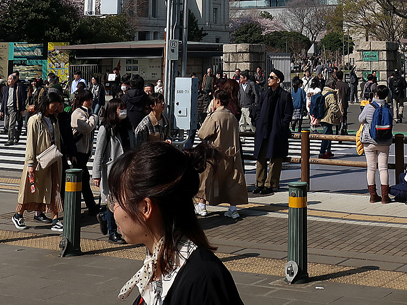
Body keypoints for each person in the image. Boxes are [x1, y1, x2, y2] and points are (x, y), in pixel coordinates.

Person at [108, 142, 244, 305]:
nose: (112, 209)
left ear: (146, 208)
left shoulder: (203, 278)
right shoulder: (158, 264)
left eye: (116, 200)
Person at [13, 90, 66, 232]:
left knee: (54, 189)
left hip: (53, 159)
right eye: (53, 106)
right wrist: (30, 163)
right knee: (32, 190)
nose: (55, 108)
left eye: (56, 106)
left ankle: (55, 219)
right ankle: (18, 214)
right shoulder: (35, 120)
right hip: (38, 161)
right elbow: (30, 143)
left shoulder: (54, 119)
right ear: (46, 104)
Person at [195, 89, 248, 220]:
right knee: (232, 181)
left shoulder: (215, 116)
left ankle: (202, 206)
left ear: (217, 101)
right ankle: (233, 208)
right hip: (231, 154)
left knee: (206, 179)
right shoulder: (232, 117)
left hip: (215, 154)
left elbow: (202, 134)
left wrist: (208, 115)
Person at [93, 100, 135, 243]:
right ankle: (112, 232)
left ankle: (104, 217)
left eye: (124, 108)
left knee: (123, 200)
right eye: (120, 108)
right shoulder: (106, 128)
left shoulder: (128, 126)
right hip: (111, 169)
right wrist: (96, 174)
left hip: (127, 168)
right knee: (112, 200)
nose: (123, 111)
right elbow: (98, 152)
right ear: (113, 110)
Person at [251, 69, 292, 195]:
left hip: (276, 130)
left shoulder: (285, 95)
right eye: (269, 77)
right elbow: (258, 109)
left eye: (271, 77)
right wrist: (258, 122)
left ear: (278, 81)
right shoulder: (264, 93)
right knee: (261, 157)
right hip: (263, 129)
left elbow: (288, 114)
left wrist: (281, 127)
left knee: (275, 158)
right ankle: (259, 183)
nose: (268, 79)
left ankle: (270, 184)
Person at [359, 84, 394, 203]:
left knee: (371, 168)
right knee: (383, 168)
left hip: (369, 140)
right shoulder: (388, 107)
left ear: (376, 94)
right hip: (384, 141)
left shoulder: (369, 106)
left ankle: (373, 195)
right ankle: (385, 196)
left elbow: (360, 119)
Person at [70, 90, 99, 215]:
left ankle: (83, 206)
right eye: (88, 99)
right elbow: (87, 128)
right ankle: (91, 207)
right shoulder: (78, 113)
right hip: (78, 151)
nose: (91, 102)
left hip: (84, 151)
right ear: (83, 101)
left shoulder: (87, 112)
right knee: (84, 178)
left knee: (82, 180)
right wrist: (94, 117)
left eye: (91, 99)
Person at [314, 77, 342, 158]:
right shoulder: (331, 95)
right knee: (326, 135)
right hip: (328, 117)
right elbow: (334, 107)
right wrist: (339, 115)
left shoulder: (323, 92)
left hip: (322, 116)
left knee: (329, 133)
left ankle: (328, 150)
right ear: (332, 85)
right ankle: (322, 152)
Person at [4, 72, 28, 146]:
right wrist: (2, 109)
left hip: (14, 108)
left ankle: (10, 139)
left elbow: (22, 99)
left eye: (10, 79)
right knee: (6, 125)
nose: (9, 81)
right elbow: (3, 99)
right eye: (8, 79)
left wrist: (22, 108)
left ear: (14, 81)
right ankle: (16, 134)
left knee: (12, 125)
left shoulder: (18, 88)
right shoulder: (6, 89)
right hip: (6, 108)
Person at [333, 70, 351, 135]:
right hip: (344, 103)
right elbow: (348, 94)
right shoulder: (346, 85)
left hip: (336, 103)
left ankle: (337, 130)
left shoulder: (335, 85)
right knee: (344, 117)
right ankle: (344, 129)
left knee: (337, 118)